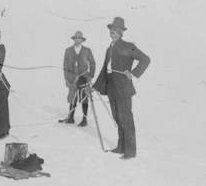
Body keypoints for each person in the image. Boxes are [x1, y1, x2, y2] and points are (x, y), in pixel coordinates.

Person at [93, 17, 150, 160]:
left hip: (123, 87)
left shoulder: (128, 45)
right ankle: (121, 147)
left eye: (116, 30)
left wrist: (134, 73)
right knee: (117, 117)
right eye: (111, 29)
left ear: (121, 32)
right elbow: (104, 70)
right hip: (111, 86)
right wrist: (94, 87)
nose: (113, 32)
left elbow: (145, 59)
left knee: (126, 119)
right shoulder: (109, 49)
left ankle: (130, 151)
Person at [60, 30, 96, 126]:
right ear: (74, 39)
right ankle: (70, 118)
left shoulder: (87, 50)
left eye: (79, 38)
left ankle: (84, 120)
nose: (77, 40)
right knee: (72, 97)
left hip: (83, 78)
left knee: (84, 97)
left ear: (82, 40)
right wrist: (67, 79)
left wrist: (91, 76)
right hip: (72, 78)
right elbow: (65, 65)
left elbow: (92, 63)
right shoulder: (68, 50)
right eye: (76, 38)